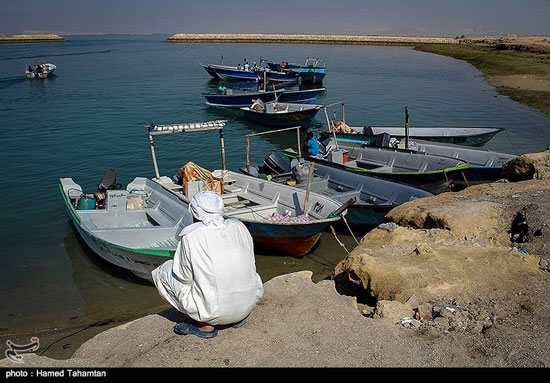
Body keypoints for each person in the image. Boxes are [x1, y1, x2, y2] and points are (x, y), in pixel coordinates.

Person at [152, 191, 264, 339]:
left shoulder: (191, 236)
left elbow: (183, 277)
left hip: (214, 312)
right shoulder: (239, 226)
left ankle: (205, 325)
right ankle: (236, 316)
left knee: (164, 271)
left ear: (195, 213)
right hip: (247, 306)